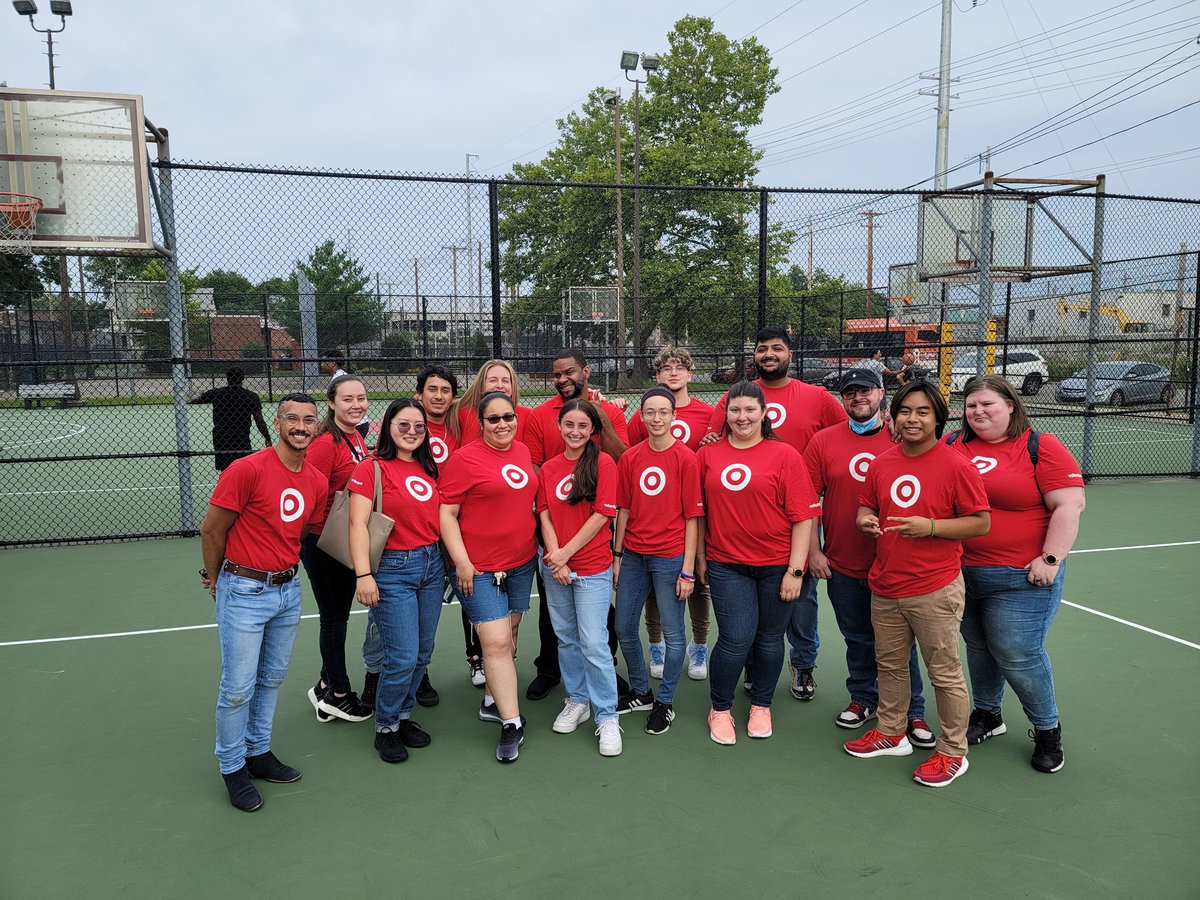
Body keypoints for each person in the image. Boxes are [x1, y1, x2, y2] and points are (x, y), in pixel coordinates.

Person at [847, 381, 990, 788]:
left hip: (934, 588)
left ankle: (952, 751)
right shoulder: (882, 463)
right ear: (893, 416)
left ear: (938, 418)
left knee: (944, 673)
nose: (913, 419)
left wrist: (930, 527)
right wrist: (864, 520)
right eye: (906, 410)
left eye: (923, 411)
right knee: (890, 666)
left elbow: (981, 521)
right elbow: (866, 505)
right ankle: (892, 733)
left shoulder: (956, 464)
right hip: (886, 585)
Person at [198, 392, 328, 812]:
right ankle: (233, 767)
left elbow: (302, 533)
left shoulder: (316, 481)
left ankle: (258, 752)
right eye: (293, 419)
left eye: (309, 420)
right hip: (244, 590)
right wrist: (217, 578)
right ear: (277, 423)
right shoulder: (247, 469)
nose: (301, 427)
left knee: (270, 678)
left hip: (287, 592)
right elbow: (212, 531)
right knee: (237, 687)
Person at [949, 375, 1085, 774]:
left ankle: (1047, 730)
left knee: (1016, 654)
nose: (978, 412)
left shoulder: (1040, 447)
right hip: (959, 574)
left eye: (988, 404)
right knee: (978, 648)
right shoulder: (953, 445)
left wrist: (1051, 558)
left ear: (1011, 405)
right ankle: (989, 715)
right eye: (971, 405)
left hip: (1020, 578)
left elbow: (1069, 505)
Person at [705, 326, 847, 704]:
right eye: (762, 349)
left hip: (797, 523)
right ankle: (752, 667)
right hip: (743, 528)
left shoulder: (816, 396)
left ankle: (803, 665)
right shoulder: (733, 399)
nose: (769, 354)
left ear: (790, 354)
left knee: (800, 602)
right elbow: (711, 444)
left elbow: (845, 435)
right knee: (748, 622)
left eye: (777, 349)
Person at [802, 368, 935, 748]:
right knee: (858, 638)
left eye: (866, 391)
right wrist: (814, 550)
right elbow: (810, 503)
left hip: (896, 563)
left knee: (899, 644)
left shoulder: (903, 438)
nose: (858, 398)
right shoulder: (824, 441)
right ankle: (863, 697)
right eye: (850, 393)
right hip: (844, 561)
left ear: (881, 394)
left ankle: (913, 711)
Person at [697, 380, 821, 745]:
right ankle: (720, 709)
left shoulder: (785, 456)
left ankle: (761, 706)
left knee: (769, 639)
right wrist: (703, 558)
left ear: (764, 413)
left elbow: (803, 517)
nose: (742, 416)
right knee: (735, 638)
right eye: (735, 410)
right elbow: (699, 513)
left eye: (750, 409)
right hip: (726, 564)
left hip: (776, 566)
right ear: (726, 414)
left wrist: (795, 571)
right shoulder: (708, 455)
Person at [522, 349, 629, 703]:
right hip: (554, 536)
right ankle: (553, 674)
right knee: (557, 617)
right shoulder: (541, 415)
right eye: (557, 374)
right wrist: (556, 543)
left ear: (586, 370)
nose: (563, 379)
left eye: (569, 372)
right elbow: (537, 470)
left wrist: (603, 419)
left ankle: (604, 685)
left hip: (590, 542)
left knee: (596, 625)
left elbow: (621, 460)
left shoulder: (607, 411)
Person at [439, 392, 540, 763]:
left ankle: (491, 700)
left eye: (508, 417)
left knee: (509, 633)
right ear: (480, 424)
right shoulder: (463, 460)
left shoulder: (522, 452)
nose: (503, 425)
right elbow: (446, 514)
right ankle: (511, 722)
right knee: (496, 642)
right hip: (477, 568)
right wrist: (462, 562)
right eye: (493, 419)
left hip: (521, 562)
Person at [349, 398, 444, 764]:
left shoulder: (428, 469)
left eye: (419, 426)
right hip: (392, 569)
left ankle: (403, 716)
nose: (412, 432)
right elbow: (357, 524)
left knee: (422, 651)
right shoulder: (372, 468)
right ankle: (385, 726)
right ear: (388, 426)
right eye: (403, 424)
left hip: (431, 565)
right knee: (402, 655)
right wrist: (364, 574)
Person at [614, 386, 703, 735]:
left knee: (673, 634)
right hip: (634, 555)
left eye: (663, 412)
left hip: (670, 558)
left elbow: (693, 518)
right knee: (623, 627)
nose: (656, 419)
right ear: (642, 416)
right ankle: (641, 690)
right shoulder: (631, 458)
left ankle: (664, 701)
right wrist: (618, 555)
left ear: (673, 416)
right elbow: (623, 509)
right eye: (649, 412)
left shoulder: (686, 459)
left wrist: (688, 569)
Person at [536, 399, 623, 756]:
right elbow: (544, 514)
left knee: (593, 642)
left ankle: (607, 715)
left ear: (592, 431)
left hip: (591, 567)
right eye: (568, 425)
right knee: (567, 639)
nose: (575, 432)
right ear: (560, 426)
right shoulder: (549, 468)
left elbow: (603, 515)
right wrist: (556, 561)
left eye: (582, 427)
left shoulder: (603, 463)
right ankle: (577, 700)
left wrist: (566, 555)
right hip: (556, 567)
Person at [626, 345, 715, 681]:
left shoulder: (708, 413)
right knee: (653, 587)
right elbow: (632, 453)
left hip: (697, 510)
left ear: (690, 374)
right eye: (666, 368)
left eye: (680, 367)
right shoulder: (645, 414)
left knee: (697, 581)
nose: (673, 373)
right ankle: (657, 643)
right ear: (658, 375)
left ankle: (700, 645)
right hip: (655, 515)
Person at [451, 358, 535, 688]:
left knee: (508, 630)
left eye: (506, 380)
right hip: (477, 551)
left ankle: (497, 681)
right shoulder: (463, 423)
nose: (499, 384)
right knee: (491, 632)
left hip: (519, 555)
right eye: (492, 379)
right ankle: (482, 664)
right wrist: (461, 559)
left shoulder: (522, 445)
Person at [299, 374, 374, 725]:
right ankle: (339, 695)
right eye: (348, 399)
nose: (356, 404)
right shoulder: (325, 442)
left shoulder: (355, 434)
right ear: (331, 402)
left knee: (337, 616)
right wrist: (309, 541)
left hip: (343, 540)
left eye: (361, 397)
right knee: (333, 619)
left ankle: (326, 682)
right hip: (323, 540)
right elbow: (308, 493)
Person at [189, 367, 271, 471]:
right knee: (243, 466)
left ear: (227, 379)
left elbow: (199, 399)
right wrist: (267, 437)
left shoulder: (217, 393)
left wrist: (194, 398)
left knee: (225, 468)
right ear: (243, 379)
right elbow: (259, 421)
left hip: (221, 436)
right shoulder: (251, 396)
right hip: (241, 436)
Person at [456, 358, 535, 446]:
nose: (500, 386)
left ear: (512, 387)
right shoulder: (462, 412)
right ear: (481, 387)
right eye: (493, 380)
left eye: (505, 381)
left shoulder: (528, 415)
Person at [321, 349, 370, 439]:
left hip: (356, 424)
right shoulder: (340, 376)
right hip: (358, 423)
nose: (321, 364)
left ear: (332, 363)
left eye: (324, 361)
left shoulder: (339, 380)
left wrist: (322, 427)